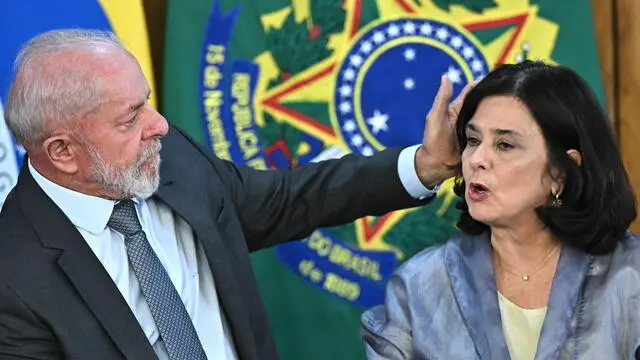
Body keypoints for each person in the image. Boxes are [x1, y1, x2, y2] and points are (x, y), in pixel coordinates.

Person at [0, 29, 471, 360]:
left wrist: (424, 166)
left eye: (146, 101)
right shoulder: (12, 280)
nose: (159, 125)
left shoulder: (167, 156)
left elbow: (286, 199)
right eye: (129, 118)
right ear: (62, 152)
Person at [361, 60, 639, 359]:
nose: (477, 159)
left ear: (561, 172)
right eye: (472, 140)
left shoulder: (631, 275)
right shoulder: (417, 286)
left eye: (504, 145)